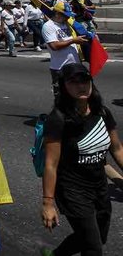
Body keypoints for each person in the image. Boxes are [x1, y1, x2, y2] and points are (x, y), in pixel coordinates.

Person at [41, 63, 123, 256]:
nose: (81, 86)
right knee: (93, 247)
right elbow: (51, 165)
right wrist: (47, 203)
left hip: (99, 187)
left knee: (97, 237)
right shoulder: (58, 119)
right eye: (73, 82)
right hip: (72, 190)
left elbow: (117, 149)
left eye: (84, 80)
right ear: (64, 86)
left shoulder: (101, 113)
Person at [43, 1, 87, 100]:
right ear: (58, 14)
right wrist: (73, 40)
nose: (68, 17)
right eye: (66, 15)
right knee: (61, 98)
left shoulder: (68, 24)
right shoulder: (48, 26)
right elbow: (54, 46)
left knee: (78, 96)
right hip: (60, 68)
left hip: (75, 66)